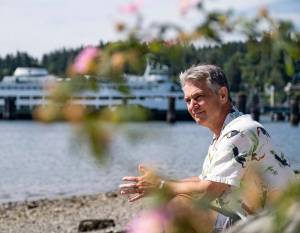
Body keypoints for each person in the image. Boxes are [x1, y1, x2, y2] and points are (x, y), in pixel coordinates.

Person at [119, 64, 296, 233]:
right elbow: (205, 180)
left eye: (198, 97)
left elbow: (209, 189)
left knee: (178, 208)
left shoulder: (240, 131)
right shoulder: (226, 132)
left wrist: (164, 187)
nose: (191, 106)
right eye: (188, 100)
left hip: (273, 224)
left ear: (222, 95)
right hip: (257, 219)